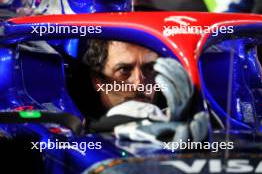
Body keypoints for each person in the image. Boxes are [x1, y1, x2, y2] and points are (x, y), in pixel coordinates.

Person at [77, 39, 209, 144]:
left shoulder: (197, 119)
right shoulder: (71, 130)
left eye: (150, 68)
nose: (139, 83)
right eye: (124, 70)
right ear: (97, 80)